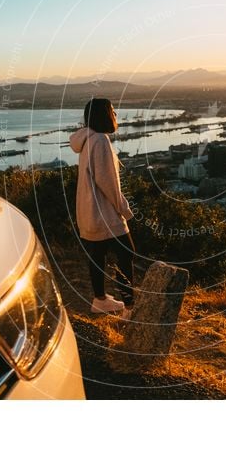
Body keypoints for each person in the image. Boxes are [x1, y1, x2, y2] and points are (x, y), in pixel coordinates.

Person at [70, 98, 136, 317]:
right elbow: (108, 183)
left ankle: (100, 300)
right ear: (105, 114)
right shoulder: (100, 141)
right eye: (113, 111)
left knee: (97, 255)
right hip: (105, 213)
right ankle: (129, 307)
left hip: (89, 211)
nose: (116, 115)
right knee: (126, 254)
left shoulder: (87, 140)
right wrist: (123, 208)